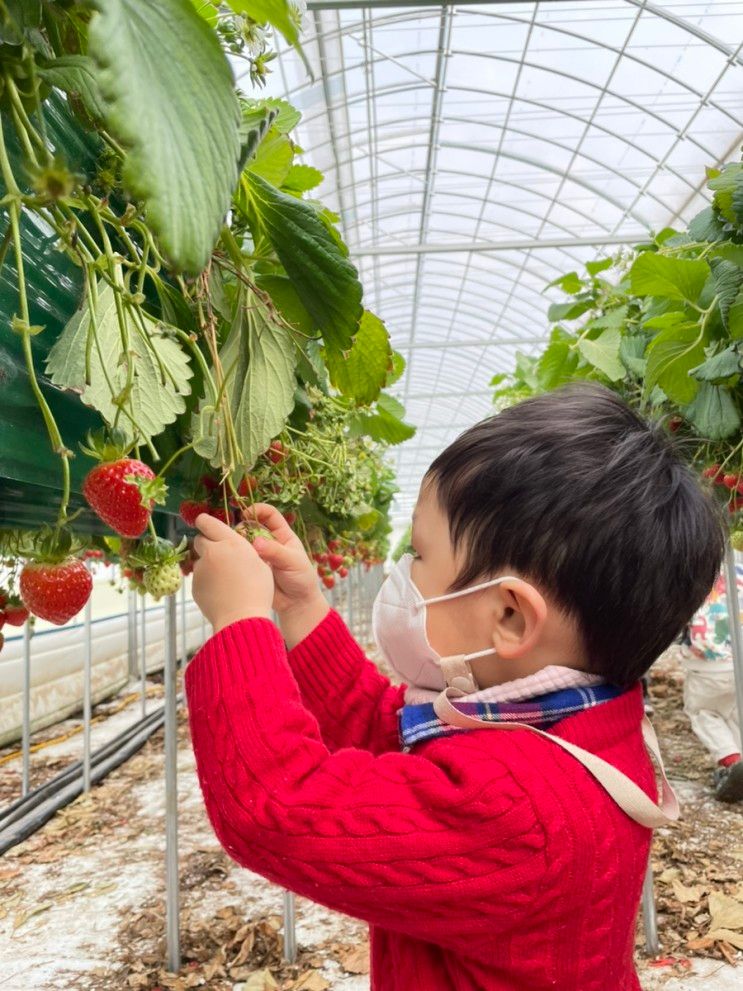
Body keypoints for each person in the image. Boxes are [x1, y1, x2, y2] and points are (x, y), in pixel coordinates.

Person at [185, 384, 724, 991]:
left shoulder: (516, 807)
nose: (402, 574)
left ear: (512, 617)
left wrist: (241, 626)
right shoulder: (570, 724)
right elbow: (393, 735)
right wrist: (302, 609)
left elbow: (282, 812)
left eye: (418, 554)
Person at [682, 555, 743, 802]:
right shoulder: (738, 569)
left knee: (703, 711)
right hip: (738, 657)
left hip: (707, 663)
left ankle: (731, 760)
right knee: (733, 710)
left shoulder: (693, 570)